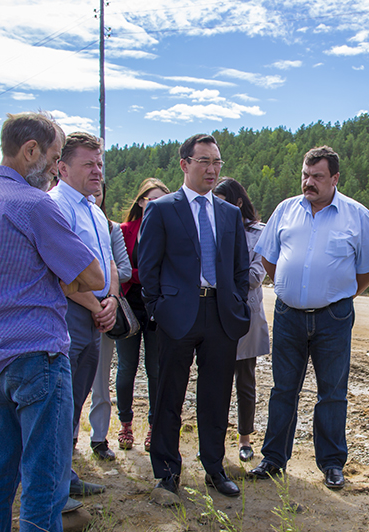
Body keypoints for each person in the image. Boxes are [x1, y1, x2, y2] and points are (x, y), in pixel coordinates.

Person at [0, 111, 105, 532]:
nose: (55, 166)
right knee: (43, 477)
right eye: (53, 154)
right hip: (40, 357)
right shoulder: (34, 205)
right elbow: (90, 275)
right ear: (30, 151)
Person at [251, 146, 369, 489]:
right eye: (305, 176)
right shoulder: (285, 210)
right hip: (288, 316)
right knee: (283, 390)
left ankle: (331, 463)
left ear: (335, 178)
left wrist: (340, 294)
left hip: (334, 319)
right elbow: (269, 258)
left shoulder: (357, 215)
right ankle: (274, 459)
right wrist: (288, 283)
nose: (309, 183)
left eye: (317, 177)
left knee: (332, 392)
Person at [137, 134, 251, 500]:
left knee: (216, 396)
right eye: (204, 161)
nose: (212, 169)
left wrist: (236, 304)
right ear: (185, 164)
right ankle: (167, 473)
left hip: (220, 314)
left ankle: (214, 468)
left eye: (217, 162)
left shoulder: (229, 214)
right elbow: (148, 266)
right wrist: (157, 308)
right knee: (169, 396)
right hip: (177, 316)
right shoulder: (162, 209)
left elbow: (237, 268)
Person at [49, 132, 120, 466]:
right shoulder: (56, 207)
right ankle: (55, 481)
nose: (97, 171)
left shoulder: (93, 210)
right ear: (62, 168)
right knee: (59, 402)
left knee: (76, 399)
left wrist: (113, 300)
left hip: (95, 315)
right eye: (88, 164)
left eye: (100, 164)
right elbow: (62, 274)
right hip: (70, 315)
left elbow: (107, 262)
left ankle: (64, 473)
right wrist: (97, 306)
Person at [213, 177, 270, 463]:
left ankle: (245, 439)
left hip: (244, 315)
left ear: (237, 203)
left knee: (245, 382)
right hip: (213, 316)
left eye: (222, 204)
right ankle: (214, 442)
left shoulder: (260, 234)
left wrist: (220, 279)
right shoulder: (210, 229)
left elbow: (256, 276)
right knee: (215, 382)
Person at [115, 177, 171, 452]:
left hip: (157, 307)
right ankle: (125, 422)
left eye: (163, 198)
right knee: (126, 368)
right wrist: (148, 274)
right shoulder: (125, 230)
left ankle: (153, 426)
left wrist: (145, 275)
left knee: (156, 370)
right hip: (129, 306)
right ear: (141, 201)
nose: (157, 204)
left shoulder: (170, 229)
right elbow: (121, 270)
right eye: (152, 198)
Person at [86, 184, 132, 455]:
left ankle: (99, 437)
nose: (93, 197)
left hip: (105, 308)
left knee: (101, 380)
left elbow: (123, 268)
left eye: (98, 192)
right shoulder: (62, 217)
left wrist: (108, 298)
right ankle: (66, 440)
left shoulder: (111, 228)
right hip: (74, 307)